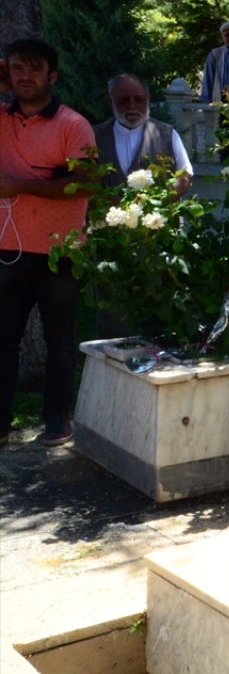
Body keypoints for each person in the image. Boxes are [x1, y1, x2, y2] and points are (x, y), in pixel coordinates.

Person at [0, 39, 95, 447]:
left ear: (52, 77)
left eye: (33, 69)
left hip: (61, 250)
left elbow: (88, 183)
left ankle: (57, 419)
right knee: (3, 339)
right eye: (16, 69)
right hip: (8, 248)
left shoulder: (74, 125)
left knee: (59, 339)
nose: (24, 77)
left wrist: (21, 185)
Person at [93, 74, 193, 195]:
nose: (132, 106)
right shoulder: (95, 137)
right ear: (111, 101)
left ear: (148, 100)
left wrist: (160, 203)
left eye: (139, 100)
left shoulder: (167, 134)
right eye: (124, 100)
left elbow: (184, 177)